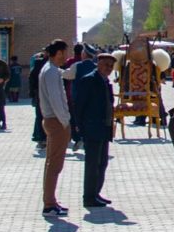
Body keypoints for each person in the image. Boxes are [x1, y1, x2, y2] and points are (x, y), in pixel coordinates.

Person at [73, 53, 116, 207]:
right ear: (98, 64)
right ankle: (89, 197)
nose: (108, 69)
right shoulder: (89, 80)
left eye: (111, 66)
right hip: (92, 128)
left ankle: (96, 193)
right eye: (106, 65)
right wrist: (79, 127)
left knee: (102, 163)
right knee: (92, 164)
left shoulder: (106, 81)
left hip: (104, 128)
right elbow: (79, 105)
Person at [38, 39, 71, 217]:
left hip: (53, 120)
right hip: (56, 121)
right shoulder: (50, 72)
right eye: (64, 53)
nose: (66, 56)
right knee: (54, 165)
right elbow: (56, 99)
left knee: (52, 163)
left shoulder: (51, 70)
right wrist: (65, 120)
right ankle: (49, 204)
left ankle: (50, 201)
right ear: (58, 53)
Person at [62, 44, 97, 149]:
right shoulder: (96, 67)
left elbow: (66, 75)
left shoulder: (77, 66)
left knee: (76, 120)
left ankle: (79, 138)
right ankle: (89, 139)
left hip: (78, 98)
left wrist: (57, 70)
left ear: (84, 54)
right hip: (93, 100)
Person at [28, 52, 47, 149]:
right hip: (40, 93)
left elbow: (31, 77)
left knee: (39, 116)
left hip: (39, 92)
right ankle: (42, 138)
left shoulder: (38, 63)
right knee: (41, 116)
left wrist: (32, 92)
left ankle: (40, 137)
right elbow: (32, 78)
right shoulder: (40, 63)